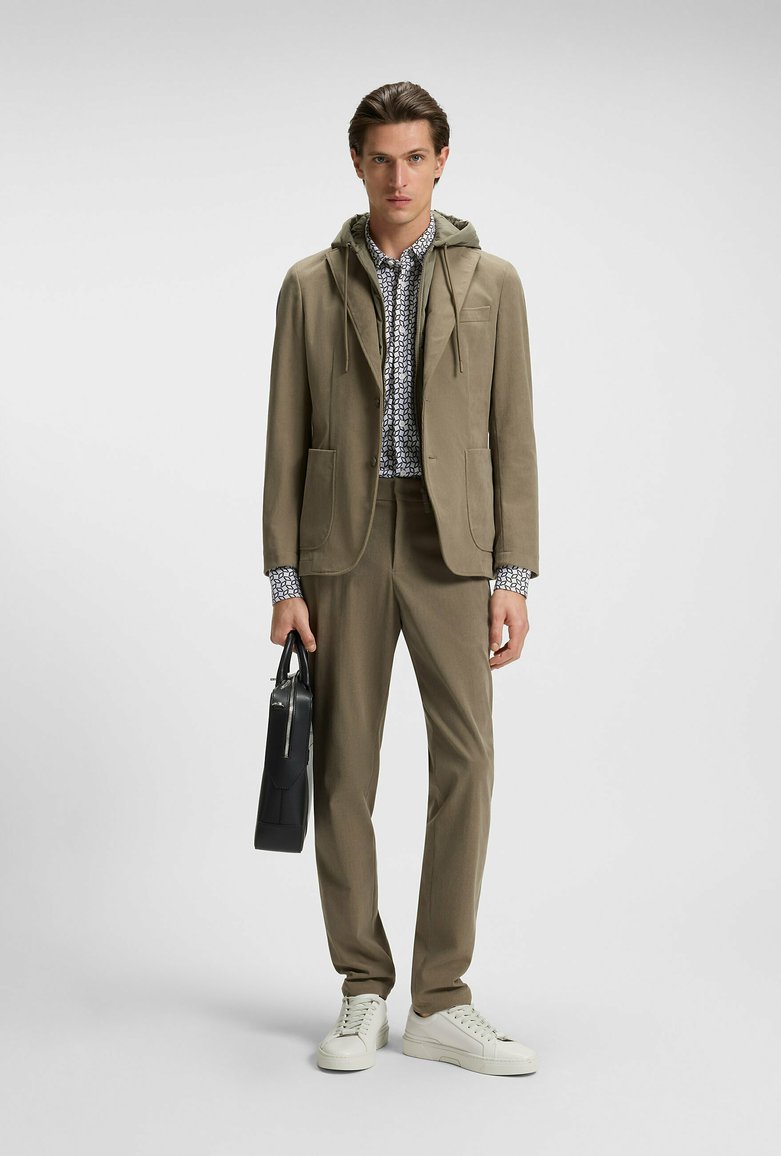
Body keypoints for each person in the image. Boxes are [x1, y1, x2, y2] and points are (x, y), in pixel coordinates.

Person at [261, 81, 540, 1077]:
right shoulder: (309, 285)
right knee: (344, 769)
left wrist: (512, 573)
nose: (397, 176)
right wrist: (284, 578)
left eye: (414, 157)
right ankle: (362, 988)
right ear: (357, 163)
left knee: (466, 761)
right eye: (380, 158)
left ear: (440, 161)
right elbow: (284, 435)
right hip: (342, 544)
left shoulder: (493, 282)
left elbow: (513, 432)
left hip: (452, 545)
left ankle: (442, 998)